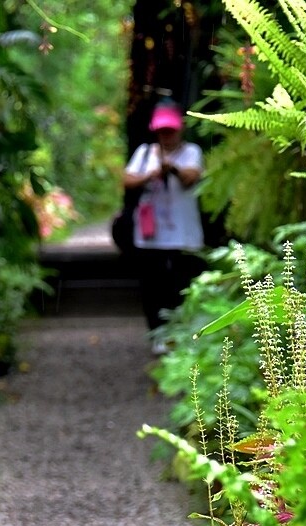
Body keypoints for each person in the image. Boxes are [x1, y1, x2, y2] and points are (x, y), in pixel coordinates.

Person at [123, 101, 207, 354]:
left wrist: (172, 169)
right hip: (151, 236)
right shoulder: (145, 153)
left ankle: (182, 335)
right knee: (152, 288)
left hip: (184, 235)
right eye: (162, 131)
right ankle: (157, 335)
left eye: (171, 130)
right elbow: (127, 179)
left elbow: (192, 177)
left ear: (180, 129)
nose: (167, 136)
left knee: (182, 286)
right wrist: (150, 174)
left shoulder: (191, 152)